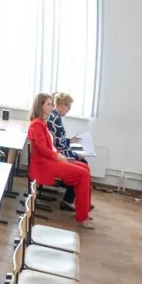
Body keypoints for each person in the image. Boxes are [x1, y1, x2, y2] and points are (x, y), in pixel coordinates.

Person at [27, 93, 94, 230]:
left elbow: (50, 146)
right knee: (83, 174)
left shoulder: (43, 123)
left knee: (85, 169)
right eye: (49, 104)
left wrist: (58, 155)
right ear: (40, 106)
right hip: (44, 165)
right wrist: (58, 156)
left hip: (50, 160)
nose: (52, 107)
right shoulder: (37, 125)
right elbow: (42, 149)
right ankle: (82, 217)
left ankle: (84, 210)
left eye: (52, 104)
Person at [46, 92, 87, 211]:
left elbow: (58, 140)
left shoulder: (55, 117)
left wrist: (70, 141)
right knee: (83, 165)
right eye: (68, 107)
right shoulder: (55, 119)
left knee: (82, 163)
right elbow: (58, 144)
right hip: (56, 156)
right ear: (62, 104)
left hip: (57, 152)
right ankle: (69, 200)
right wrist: (76, 155)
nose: (69, 110)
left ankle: (76, 199)